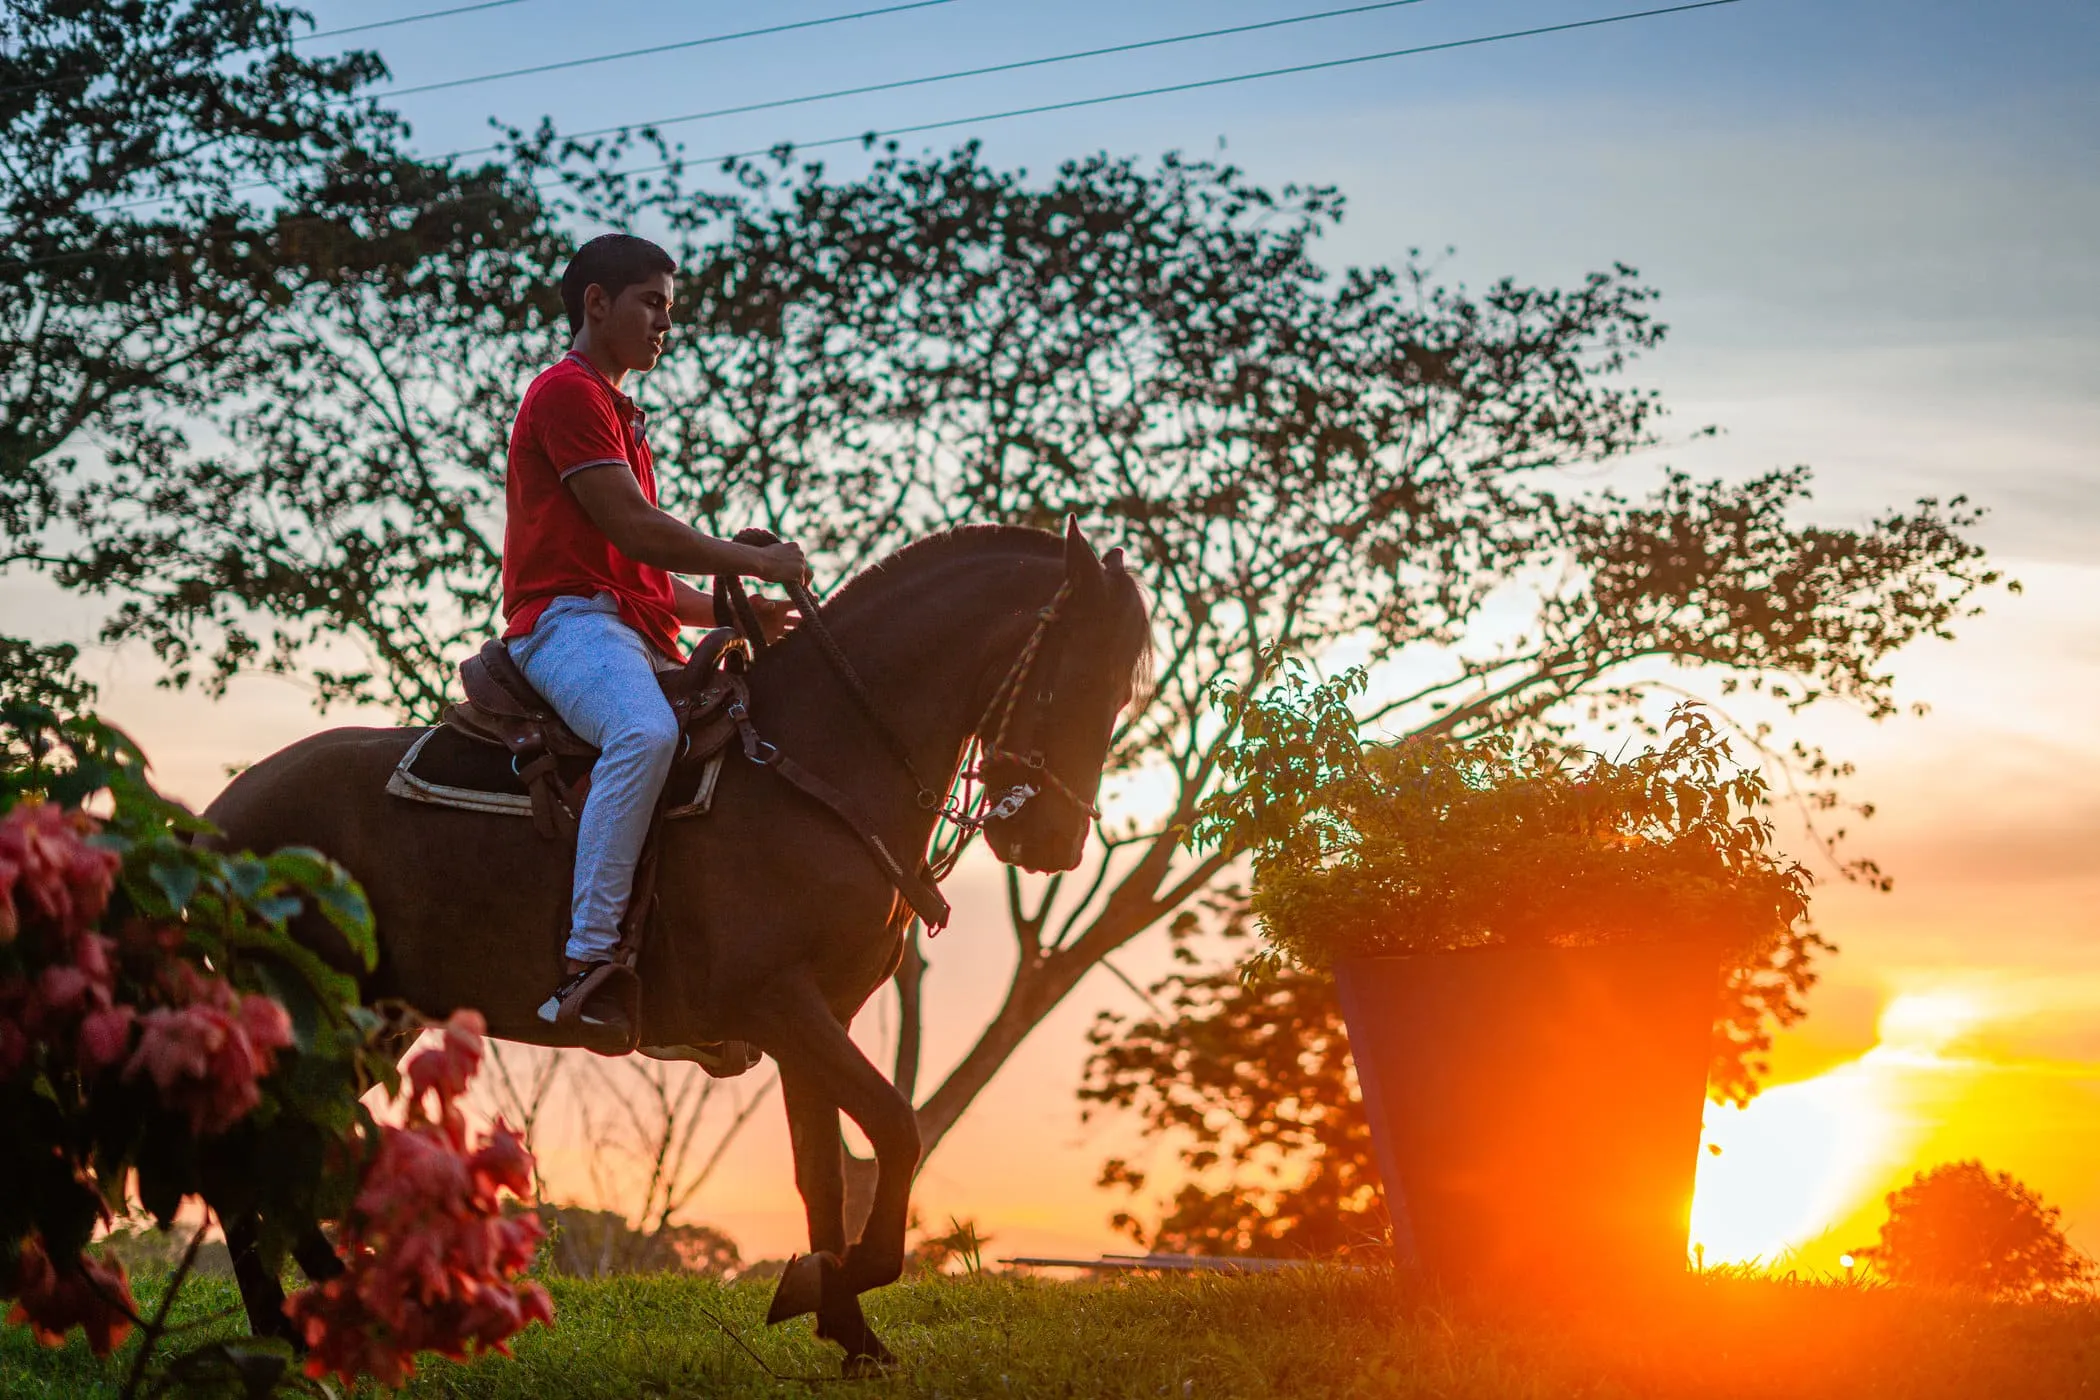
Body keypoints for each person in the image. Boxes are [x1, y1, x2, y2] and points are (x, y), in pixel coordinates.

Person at [502, 233, 808, 1046]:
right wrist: (758, 562)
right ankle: (588, 965)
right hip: (566, 626)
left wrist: (735, 613)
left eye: (670, 310)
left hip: (630, 631)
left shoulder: (623, 417)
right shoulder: (566, 394)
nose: (665, 324)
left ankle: (698, 966)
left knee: (738, 749)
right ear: (595, 303)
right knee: (644, 733)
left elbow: (646, 580)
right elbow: (638, 530)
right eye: (652, 304)